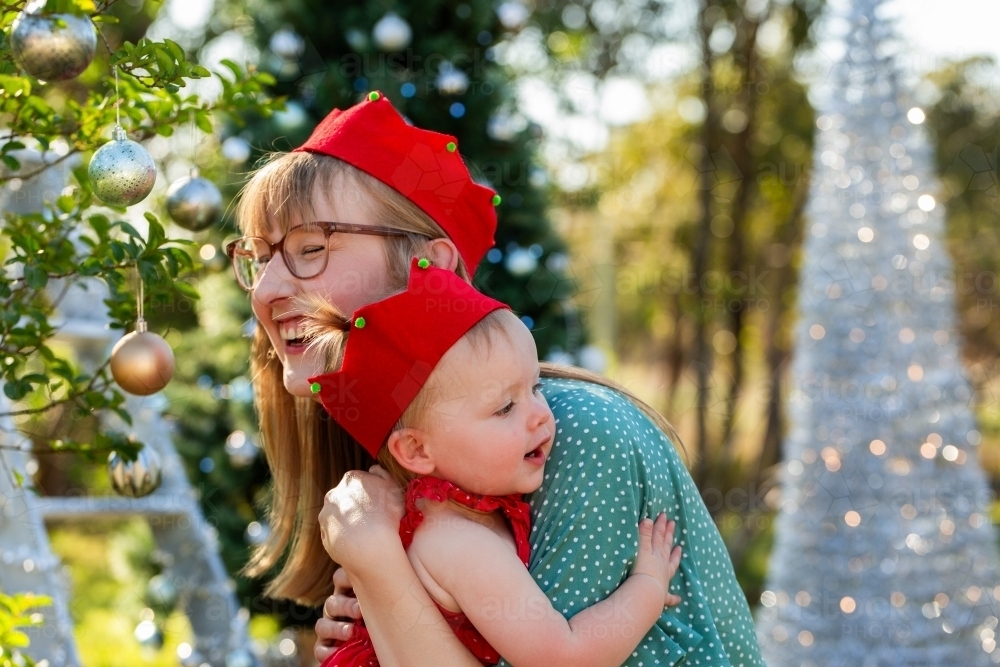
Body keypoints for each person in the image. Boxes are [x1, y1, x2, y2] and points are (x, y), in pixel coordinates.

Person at [229, 90, 764, 667]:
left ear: (429, 267)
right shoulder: (409, 471)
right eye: (258, 258)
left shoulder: (574, 438)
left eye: (310, 248)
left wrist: (382, 568)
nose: (264, 290)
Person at [307, 259, 683, 666]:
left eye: (535, 386)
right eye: (505, 407)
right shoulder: (460, 543)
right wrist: (647, 586)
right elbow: (563, 657)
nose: (541, 414)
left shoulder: (457, 516)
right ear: (416, 451)